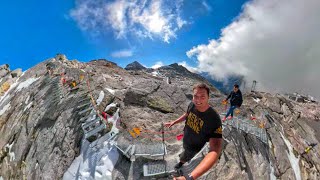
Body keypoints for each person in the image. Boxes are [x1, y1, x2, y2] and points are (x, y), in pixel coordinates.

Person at [165, 83, 222, 180]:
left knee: (185, 156)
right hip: (186, 139)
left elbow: (215, 150)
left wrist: (189, 178)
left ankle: (180, 164)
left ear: (208, 97)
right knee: (184, 152)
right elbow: (187, 114)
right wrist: (174, 122)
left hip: (195, 147)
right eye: (195, 96)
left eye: (202, 96)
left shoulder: (214, 119)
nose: (198, 100)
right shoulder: (192, 104)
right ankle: (182, 160)